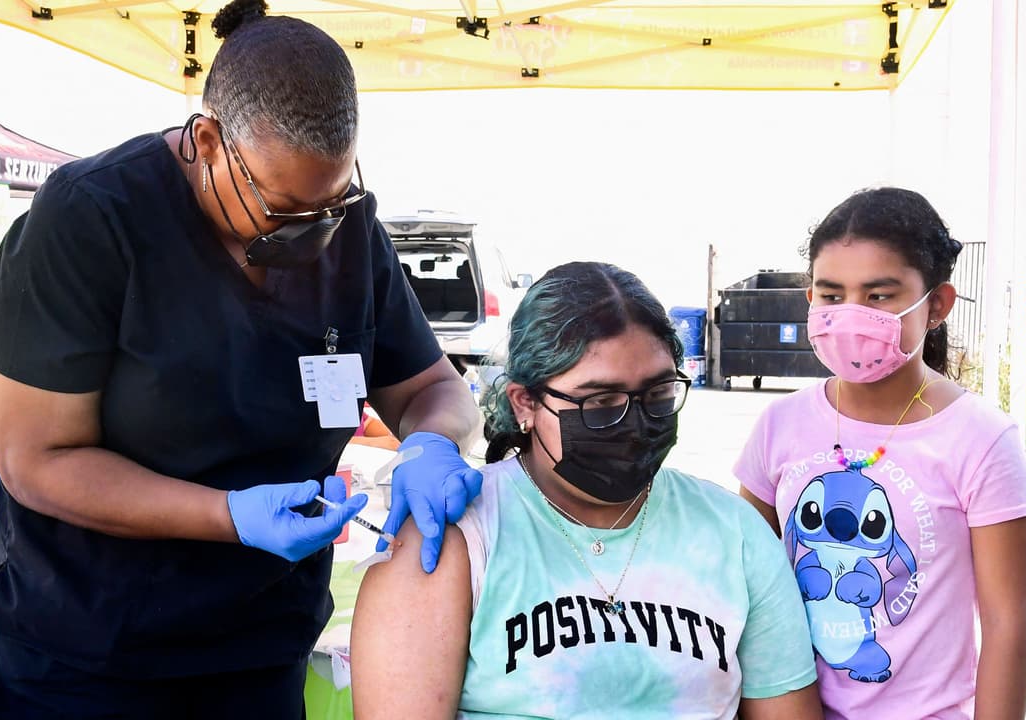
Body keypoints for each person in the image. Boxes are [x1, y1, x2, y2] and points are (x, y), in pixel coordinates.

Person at [0, 1, 482, 715]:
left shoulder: (342, 229)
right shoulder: (91, 219)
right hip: (93, 651)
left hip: (261, 646)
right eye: (281, 211)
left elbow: (434, 387)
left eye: (332, 203)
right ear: (208, 141)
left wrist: (433, 443)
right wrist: (230, 515)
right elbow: (36, 459)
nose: (313, 234)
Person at [351, 262, 822, 720]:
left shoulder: (734, 533)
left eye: (658, 394)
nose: (635, 423)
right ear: (525, 402)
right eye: (600, 402)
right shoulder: (452, 538)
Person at [735, 187, 1026, 719]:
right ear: (810, 298)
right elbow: (748, 587)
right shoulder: (779, 425)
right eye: (832, 296)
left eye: (878, 296)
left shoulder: (981, 439)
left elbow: (1009, 624)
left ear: (937, 305)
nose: (852, 315)